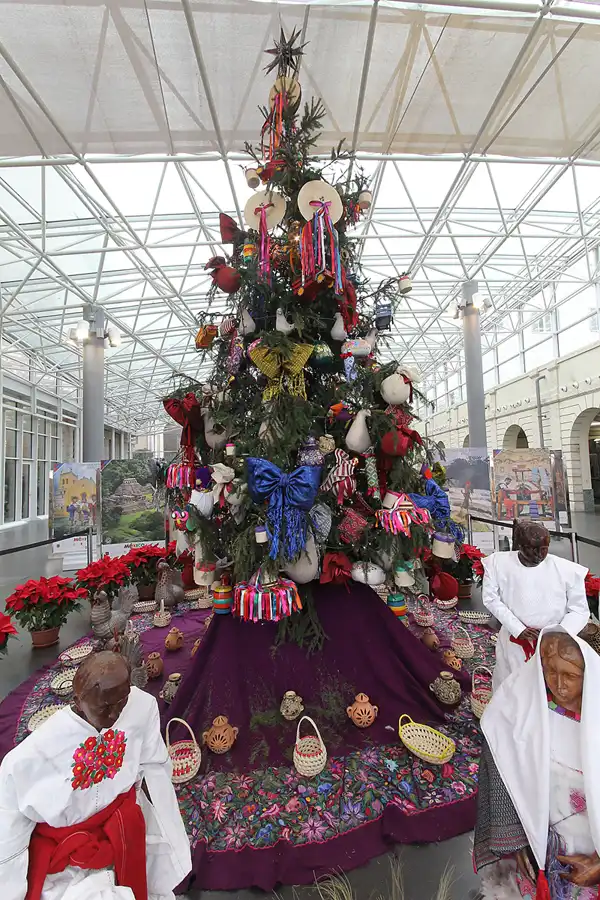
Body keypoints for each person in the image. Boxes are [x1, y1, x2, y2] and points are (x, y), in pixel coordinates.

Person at [0, 651, 191, 900]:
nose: (114, 716)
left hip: (124, 832)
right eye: (104, 707)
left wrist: (162, 825)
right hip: (65, 861)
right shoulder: (32, 756)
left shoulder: (141, 707)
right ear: (78, 701)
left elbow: (154, 764)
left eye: (122, 702)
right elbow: (9, 831)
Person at [474, 627, 600, 899]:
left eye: (570, 676)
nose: (559, 684)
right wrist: (520, 840)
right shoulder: (527, 713)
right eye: (550, 672)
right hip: (541, 850)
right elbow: (500, 750)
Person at [482, 520, 588, 689]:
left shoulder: (567, 571)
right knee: (511, 687)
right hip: (514, 640)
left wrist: (555, 634)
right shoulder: (497, 564)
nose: (539, 554)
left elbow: (579, 610)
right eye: (532, 548)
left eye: (544, 549)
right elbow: (491, 598)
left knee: (550, 690)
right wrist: (518, 628)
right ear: (519, 545)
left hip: (554, 644)